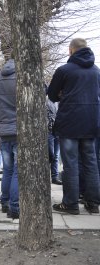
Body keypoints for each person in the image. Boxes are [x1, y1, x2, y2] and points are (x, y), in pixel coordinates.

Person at [48, 38, 100, 214]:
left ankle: (70, 204)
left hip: (69, 122)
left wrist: (64, 94)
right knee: (91, 163)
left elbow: (52, 95)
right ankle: (93, 203)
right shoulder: (96, 71)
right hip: (91, 122)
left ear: (71, 50)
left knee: (70, 164)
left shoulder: (64, 70)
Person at [0, 58, 19, 219]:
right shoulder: (21, 79)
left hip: (4, 131)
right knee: (17, 172)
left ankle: (5, 202)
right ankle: (15, 208)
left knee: (7, 170)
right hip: (20, 131)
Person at [46, 96, 62, 185]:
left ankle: (54, 177)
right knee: (50, 155)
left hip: (57, 131)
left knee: (55, 155)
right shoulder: (46, 101)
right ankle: (47, 175)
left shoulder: (59, 102)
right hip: (49, 131)